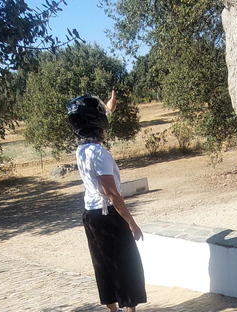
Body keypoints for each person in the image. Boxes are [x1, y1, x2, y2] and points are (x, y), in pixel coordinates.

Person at [67, 90, 147, 312]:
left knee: (102, 265)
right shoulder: (99, 153)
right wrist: (132, 222)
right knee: (126, 263)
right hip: (108, 215)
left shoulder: (81, 150)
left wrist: (109, 108)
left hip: (90, 214)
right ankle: (130, 310)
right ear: (97, 122)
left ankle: (112, 310)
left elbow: (91, 122)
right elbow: (111, 193)